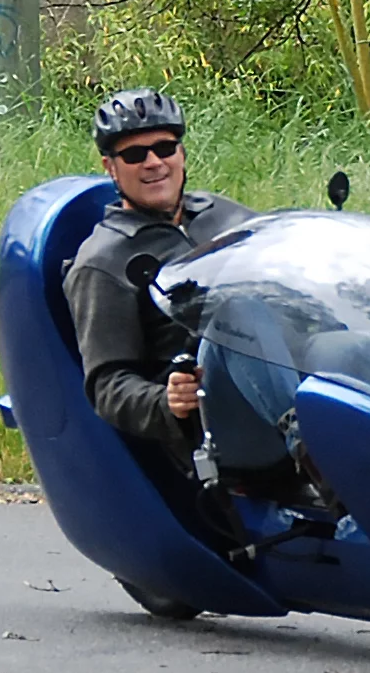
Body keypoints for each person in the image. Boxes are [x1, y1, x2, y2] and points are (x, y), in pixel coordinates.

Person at [62, 88, 257, 461]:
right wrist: (167, 400)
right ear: (110, 167)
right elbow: (109, 386)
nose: (154, 162)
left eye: (165, 148)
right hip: (215, 426)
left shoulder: (225, 215)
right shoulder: (103, 261)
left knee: (356, 352)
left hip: (284, 366)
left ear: (181, 154)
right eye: (135, 155)